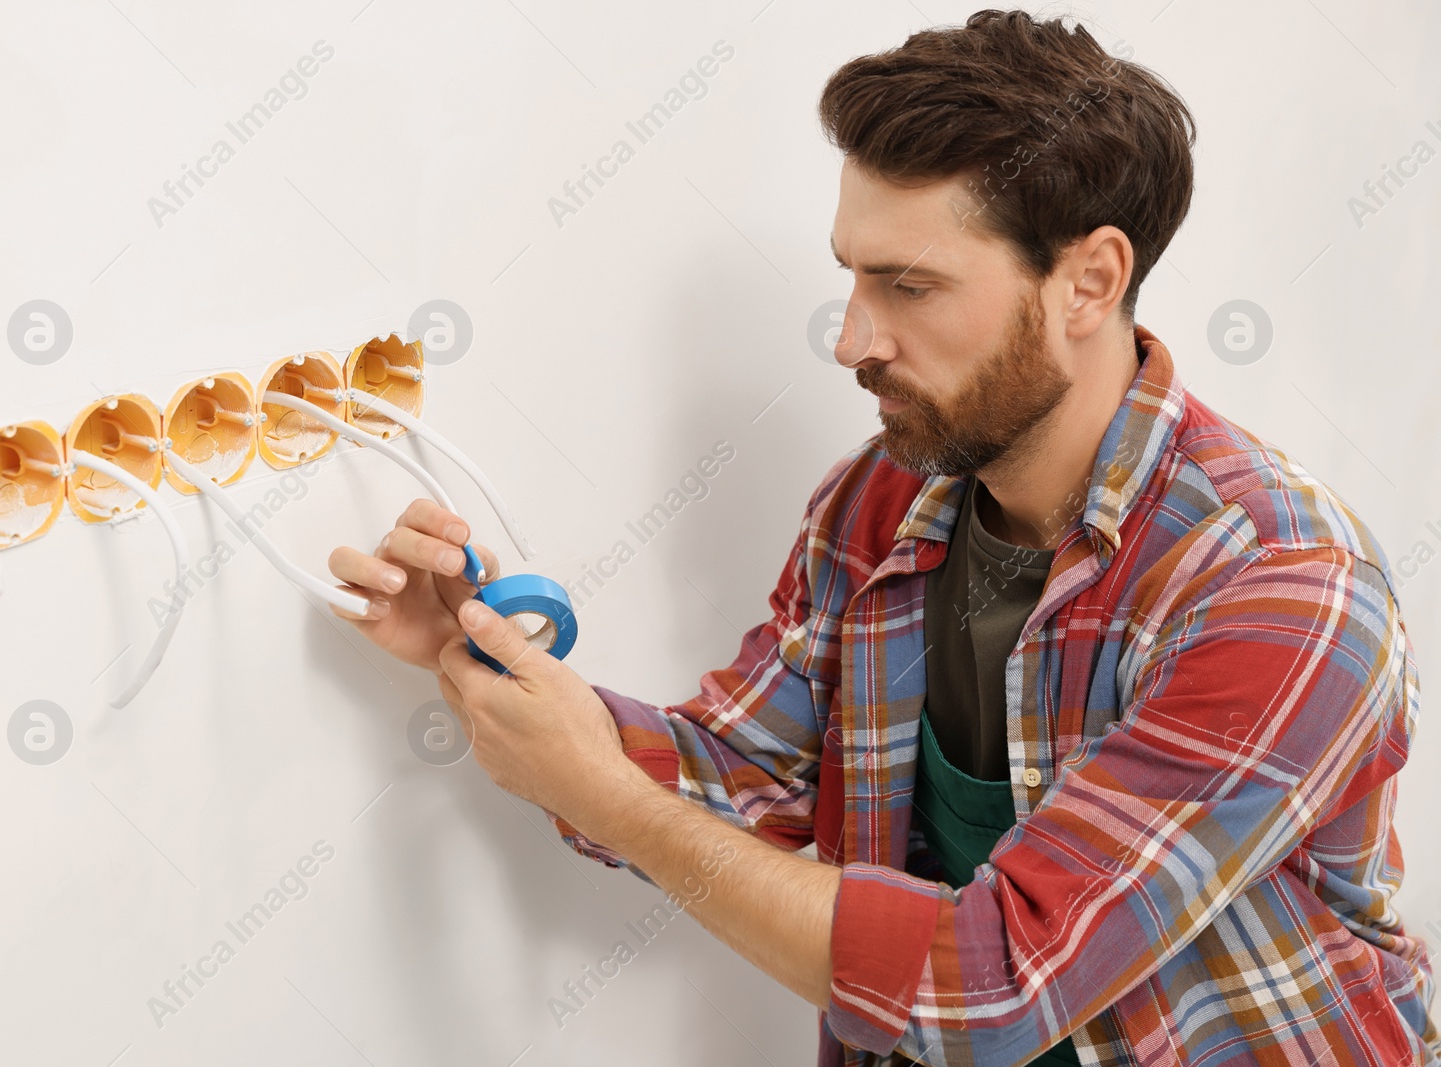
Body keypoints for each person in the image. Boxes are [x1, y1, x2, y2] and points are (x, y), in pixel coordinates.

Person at [327, 9, 1437, 1065]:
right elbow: (741, 774)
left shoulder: (1280, 585)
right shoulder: (880, 501)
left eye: (909, 285)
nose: (854, 336)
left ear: (1089, 281)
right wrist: (473, 649)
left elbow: (995, 984)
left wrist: (607, 797)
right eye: (852, 275)